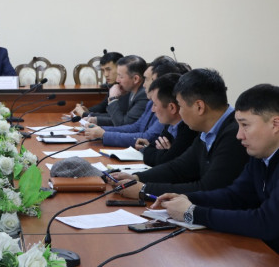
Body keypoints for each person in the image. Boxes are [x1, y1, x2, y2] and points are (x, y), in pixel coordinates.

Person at [153, 84, 279, 253]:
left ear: (275, 124)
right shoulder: (261, 156)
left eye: (245, 125)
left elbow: (267, 223)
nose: (239, 135)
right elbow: (235, 196)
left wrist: (193, 213)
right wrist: (187, 198)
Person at [112, 68, 248, 199]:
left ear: (199, 107)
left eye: (181, 106)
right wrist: (136, 177)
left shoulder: (235, 135)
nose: (180, 113)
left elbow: (208, 189)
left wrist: (144, 190)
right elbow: (180, 167)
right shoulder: (207, 130)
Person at [81, 56, 177, 144]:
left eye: (147, 79)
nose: (144, 84)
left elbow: (148, 137)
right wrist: (101, 129)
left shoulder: (148, 98)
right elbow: (136, 127)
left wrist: (104, 134)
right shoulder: (148, 101)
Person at [135, 73, 199, 166]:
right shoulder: (170, 125)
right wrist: (162, 153)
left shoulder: (189, 129)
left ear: (172, 107)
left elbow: (167, 161)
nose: (152, 110)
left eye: (155, 104)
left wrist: (163, 155)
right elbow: (151, 150)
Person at [87, 55, 149, 127]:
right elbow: (123, 118)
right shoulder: (132, 90)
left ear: (135, 79)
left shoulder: (143, 95)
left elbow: (123, 125)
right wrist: (96, 120)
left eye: (120, 76)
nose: (117, 80)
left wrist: (113, 99)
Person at [69, 51, 125, 118]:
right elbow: (103, 106)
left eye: (108, 69)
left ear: (120, 68)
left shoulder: (128, 87)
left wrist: (85, 114)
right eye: (103, 70)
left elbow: (114, 117)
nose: (105, 74)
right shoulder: (115, 85)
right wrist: (87, 110)